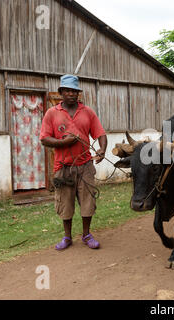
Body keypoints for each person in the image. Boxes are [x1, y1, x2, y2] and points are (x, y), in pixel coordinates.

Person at [40, 74, 107, 250]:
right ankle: (67, 237)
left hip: (85, 166)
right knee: (65, 203)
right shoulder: (52, 113)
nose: (71, 93)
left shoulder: (87, 112)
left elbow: (100, 134)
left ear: (78, 93)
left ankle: (86, 235)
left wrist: (102, 150)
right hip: (63, 168)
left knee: (88, 202)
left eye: (74, 91)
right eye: (67, 90)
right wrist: (64, 142)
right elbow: (44, 139)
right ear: (61, 92)